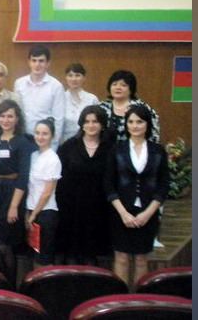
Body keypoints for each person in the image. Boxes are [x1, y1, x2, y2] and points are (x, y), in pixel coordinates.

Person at [104, 105, 169, 287]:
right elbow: (108, 184)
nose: (135, 126)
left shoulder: (158, 150)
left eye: (139, 122)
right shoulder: (117, 150)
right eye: (130, 122)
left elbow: (163, 186)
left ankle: (139, 298)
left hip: (148, 212)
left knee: (141, 259)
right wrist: (123, 213)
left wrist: (148, 213)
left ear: (147, 124)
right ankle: (121, 299)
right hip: (120, 212)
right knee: (121, 257)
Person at [56, 105, 113, 266]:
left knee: (92, 257)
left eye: (95, 121)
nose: (91, 125)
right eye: (87, 121)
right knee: (71, 256)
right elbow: (60, 178)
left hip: (99, 208)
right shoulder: (69, 146)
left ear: (102, 124)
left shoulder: (110, 148)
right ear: (81, 124)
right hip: (71, 207)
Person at [0, 99, 34, 286]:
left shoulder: (23, 142)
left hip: (13, 194)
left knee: (6, 244)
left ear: (17, 119)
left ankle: (11, 288)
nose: (6, 120)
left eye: (10, 116)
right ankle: (1, 285)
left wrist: (14, 206)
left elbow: (23, 176)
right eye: (2, 116)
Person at [25, 118, 62, 267]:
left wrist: (34, 215)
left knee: (44, 259)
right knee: (34, 254)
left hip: (45, 213)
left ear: (52, 136)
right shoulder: (34, 155)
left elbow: (47, 192)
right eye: (37, 133)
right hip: (31, 210)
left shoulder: (53, 159)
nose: (40, 137)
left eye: (45, 134)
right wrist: (28, 213)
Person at [14, 45, 65, 148]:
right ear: (29, 62)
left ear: (48, 63)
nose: (37, 65)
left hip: (45, 141)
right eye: (34, 60)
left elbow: (58, 119)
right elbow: (16, 114)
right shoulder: (19, 84)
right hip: (23, 139)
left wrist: (53, 146)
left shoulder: (56, 86)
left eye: (41, 61)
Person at [99, 70, 160, 143]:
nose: (118, 87)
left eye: (123, 85)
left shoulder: (142, 108)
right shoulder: (101, 107)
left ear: (131, 89)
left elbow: (153, 135)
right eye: (114, 84)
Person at [62, 63, 99, 142]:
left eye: (77, 75)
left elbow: (98, 123)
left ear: (84, 78)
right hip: (65, 143)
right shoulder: (60, 98)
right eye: (70, 75)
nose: (73, 79)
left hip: (88, 142)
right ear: (66, 78)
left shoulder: (92, 99)